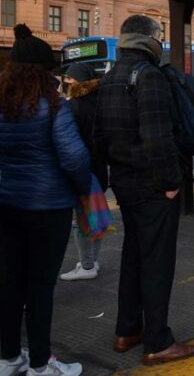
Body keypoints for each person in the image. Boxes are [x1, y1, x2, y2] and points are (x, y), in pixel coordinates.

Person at [94, 15, 194, 365]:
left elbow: (98, 137)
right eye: (159, 36)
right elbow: (157, 137)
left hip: (125, 184)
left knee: (133, 257)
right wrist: (171, 183)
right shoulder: (149, 75)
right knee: (157, 262)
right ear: (150, 38)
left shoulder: (111, 77)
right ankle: (158, 341)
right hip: (152, 187)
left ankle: (128, 331)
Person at [0, 25, 91, 376]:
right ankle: (41, 364)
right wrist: (84, 188)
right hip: (47, 207)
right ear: (44, 70)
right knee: (39, 287)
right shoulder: (54, 107)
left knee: (9, 282)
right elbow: (74, 159)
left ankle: (8, 358)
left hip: (6, 205)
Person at [59, 63, 109, 282]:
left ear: (77, 82)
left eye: (68, 79)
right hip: (99, 169)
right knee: (95, 216)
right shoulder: (101, 104)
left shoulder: (72, 107)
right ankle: (91, 261)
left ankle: (87, 265)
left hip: (82, 170)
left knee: (80, 221)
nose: (65, 82)